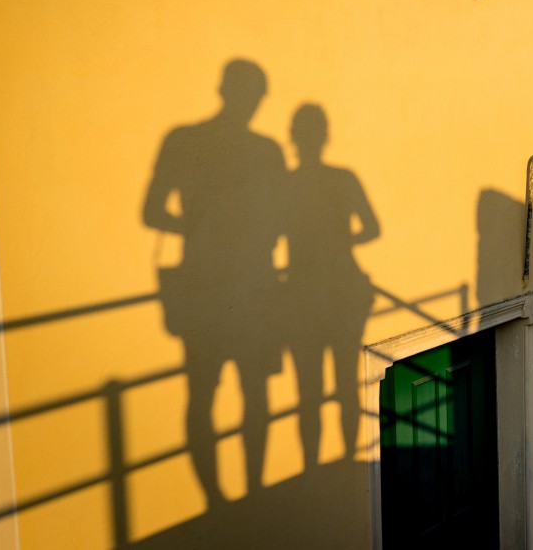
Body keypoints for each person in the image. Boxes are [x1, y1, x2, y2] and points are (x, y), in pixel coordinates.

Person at [142, 59, 287, 507]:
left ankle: (241, 493)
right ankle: (229, 496)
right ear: (232, 92)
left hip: (239, 285)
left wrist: (203, 230)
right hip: (220, 285)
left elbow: (154, 211)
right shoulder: (200, 142)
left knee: (235, 391)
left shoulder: (255, 149)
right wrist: (207, 230)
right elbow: (151, 210)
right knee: (218, 392)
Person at [285, 103, 379, 466]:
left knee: (310, 389)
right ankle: (345, 458)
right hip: (339, 287)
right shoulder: (342, 178)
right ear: (325, 136)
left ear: (293, 138)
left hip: (309, 292)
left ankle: (318, 463)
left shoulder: (288, 184)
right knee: (343, 384)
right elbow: (371, 227)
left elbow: (271, 236)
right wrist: (341, 242)